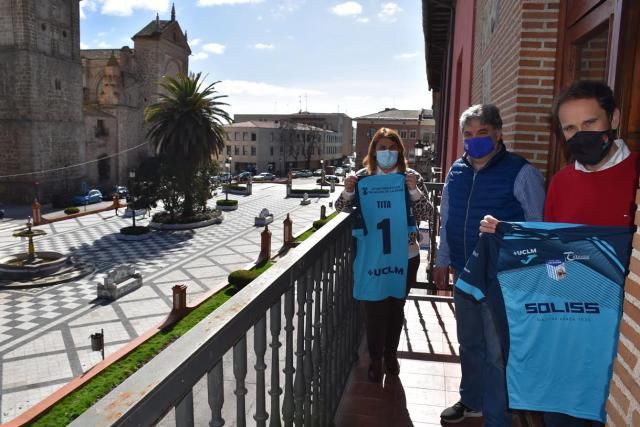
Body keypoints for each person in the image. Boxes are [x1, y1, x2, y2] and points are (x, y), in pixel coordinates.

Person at [480, 80, 639, 426]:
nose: (579, 134)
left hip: (623, 335)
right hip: (570, 325)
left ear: (613, 118)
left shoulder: (637, 174)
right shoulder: (562, 181)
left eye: (590, 123)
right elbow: (549, 250)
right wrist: (507, 236)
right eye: (569, 128)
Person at [435, 104, 545, 425]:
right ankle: (471, 401)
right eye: (468, 135)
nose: (474, 140)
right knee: (469, 342)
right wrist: (442, 261)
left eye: (482, 133)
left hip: (503, 279)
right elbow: (447, 220)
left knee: (498, 353)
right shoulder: (456, 171)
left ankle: (497, 418)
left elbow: (537, 227)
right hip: (464, 275)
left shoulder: (521, 172)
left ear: (498, 134)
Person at [336, 127, 431, 382]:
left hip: (406, 255)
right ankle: (375, 358)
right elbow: (340, 208)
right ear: (373, 151)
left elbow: (426, 213)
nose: (387, 152)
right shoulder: (362, 178)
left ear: (399, 151)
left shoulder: (410, 177)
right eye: (382, 148)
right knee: (372, 308)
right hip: (372, 255)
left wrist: (413, 191)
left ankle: (391, 354)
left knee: (395, 307)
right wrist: (347, 190)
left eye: (391, 147)